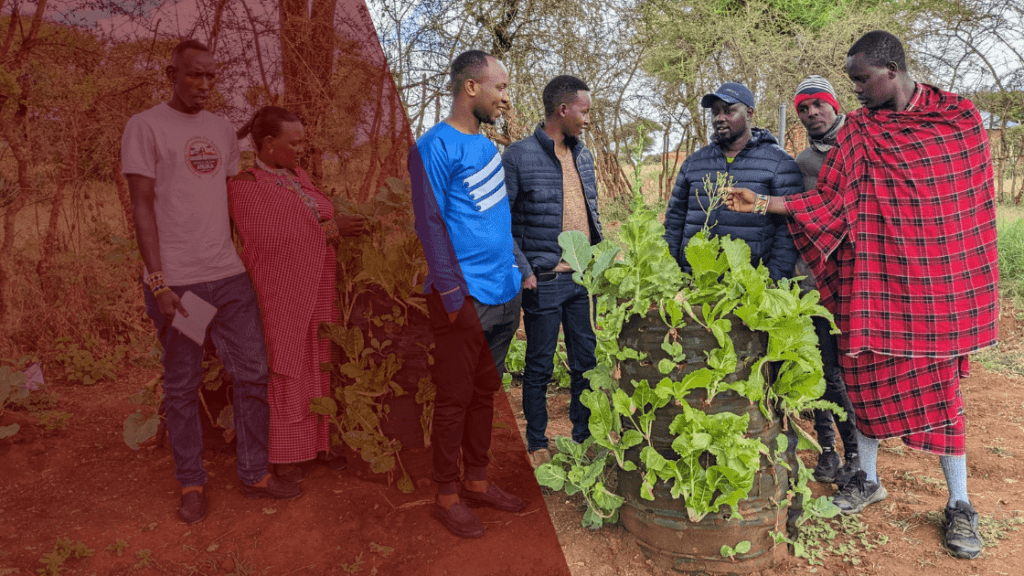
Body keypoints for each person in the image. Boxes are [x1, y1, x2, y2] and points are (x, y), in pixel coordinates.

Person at [725, 31, 998, 559]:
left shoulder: (957, 121)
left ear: (891, 69)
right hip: (874, 286)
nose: (856, 93)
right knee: (864, 376)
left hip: (935, 291)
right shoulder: (861, 134)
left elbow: (970, 206)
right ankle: (867, 479)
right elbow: (830, 205)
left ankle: (960, 504)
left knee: (943, 398)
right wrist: (762, 204)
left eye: (860, 80)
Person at [121, 40, 301, 525]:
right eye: (194, 75)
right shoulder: (146, 127)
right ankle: (192, 483)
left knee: (253, 373)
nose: (203, 85)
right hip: (184, 286)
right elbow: (141, 206)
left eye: (211, 78)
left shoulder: (221, 129)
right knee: (182, 383)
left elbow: (233, 199)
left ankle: (254, 473)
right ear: (171, 74)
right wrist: (159, 282)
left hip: (228, 277)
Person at [408, 49, 526, 539]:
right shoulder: (433, 146)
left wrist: (519, 271)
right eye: (499, 87)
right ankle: (447, 494)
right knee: (455, 399)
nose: (505, 97)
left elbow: (497, 218)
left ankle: (478, 482)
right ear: (470, 88)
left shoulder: (488, 148)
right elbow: (429, 223)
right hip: (464, 299)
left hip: (503, 295)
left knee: (484, 395)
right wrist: (453, 294)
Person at [228, 106, 366, 483]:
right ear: (270, 144)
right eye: (295, 142)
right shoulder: (247, 187)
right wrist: (331, 230)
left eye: (303, 141)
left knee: (318, 360)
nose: (302, 148)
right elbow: (269, 242)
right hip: (279, 292)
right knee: (287, 364)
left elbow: (307, 221)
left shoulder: (297, 178)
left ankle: (316, 446)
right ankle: (284, 454)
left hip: (317, 285)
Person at [503, 75, 603, 469]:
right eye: (585, 111)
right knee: (540, 364)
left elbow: (592, 214)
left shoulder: (584, 155)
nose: (588, 120)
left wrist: (598, 263)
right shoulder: (518, 155)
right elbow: (501, 222)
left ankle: (583, 438)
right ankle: (537, 441)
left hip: (582, 278)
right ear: (563, 110)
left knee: (585, 361)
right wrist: (524, 268)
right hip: (543, 279)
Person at [792, 75, 859, 487]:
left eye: (818, 104)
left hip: (856, 282)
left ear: (835, 105)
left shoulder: (860, 150)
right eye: (803, 107)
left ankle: (856, 453)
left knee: (850, 373)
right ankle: (830, 451)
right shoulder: (801, 164)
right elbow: (800, 218)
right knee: (821, 371)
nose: (812, 113)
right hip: (814, 281)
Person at [663, 82, 801, 282]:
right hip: (694, 284)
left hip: (749, 286)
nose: (720, 118)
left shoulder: (779, 163)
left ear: (749, 112)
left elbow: (788, 230)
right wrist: (671, 273)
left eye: (729, 111)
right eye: (715, 112)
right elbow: (675, 222)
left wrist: (771, 281)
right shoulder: (694, 163)